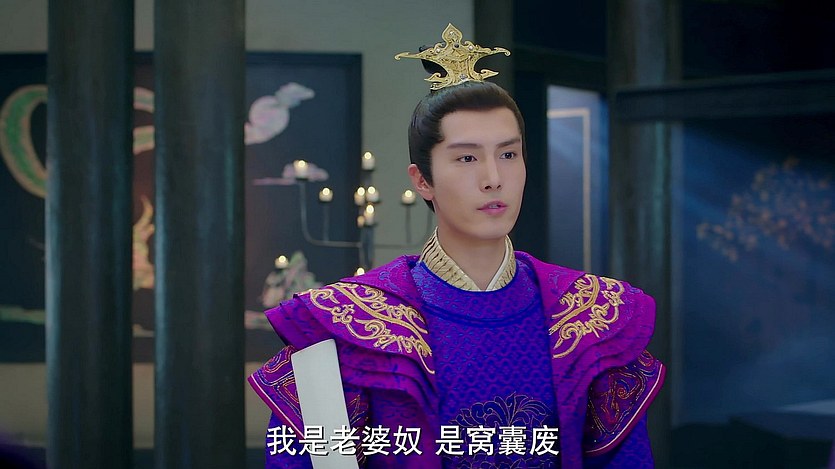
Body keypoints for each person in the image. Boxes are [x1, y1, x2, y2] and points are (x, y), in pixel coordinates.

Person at [248, 24, 665, 468]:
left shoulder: (590, 315)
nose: (493, 178)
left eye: (508, 154)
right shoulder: (348, 321)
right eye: (467, 158)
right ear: (422, 180)